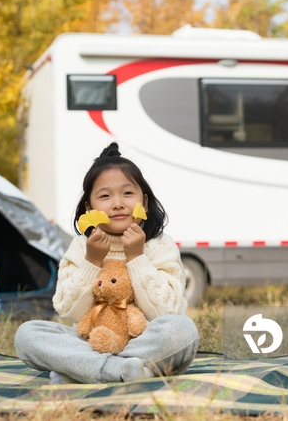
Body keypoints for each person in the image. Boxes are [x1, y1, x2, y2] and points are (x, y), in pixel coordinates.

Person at [14, 142, 199, 384]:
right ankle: (125, 371)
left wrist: (137, 257)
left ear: (143, 201)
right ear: (89, 207)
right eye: (105, 196)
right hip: (92, 342)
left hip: (145, 343)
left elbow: (165, 311)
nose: (117, 204)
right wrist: (91, 261)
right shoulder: (82, 247)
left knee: (182, 330)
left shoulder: (160, 245)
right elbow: (68, 309)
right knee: (27, 335)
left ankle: (82, 371)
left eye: (127, 193)